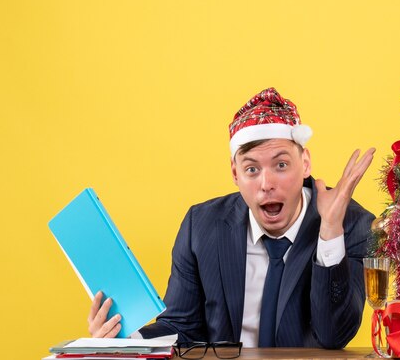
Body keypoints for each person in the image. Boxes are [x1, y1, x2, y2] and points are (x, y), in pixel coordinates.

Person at [87, 87, 376, 348]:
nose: (266, 184)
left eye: (281, 164)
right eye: (252, 169)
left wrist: (329, 230)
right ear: (235, 173)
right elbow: (181, 327)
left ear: (305, 163)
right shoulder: (201, 227)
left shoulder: (349, 224)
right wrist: (124, 340)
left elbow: (334, 336)